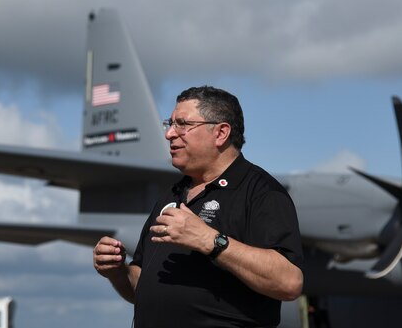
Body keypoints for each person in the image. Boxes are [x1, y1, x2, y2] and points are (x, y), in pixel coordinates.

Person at [94, 86, 304, 327]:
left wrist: (211, 241)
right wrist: (118, 272)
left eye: (183, 124)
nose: (170, 134)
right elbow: (142, 287)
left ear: (221, 133)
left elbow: (289, 283)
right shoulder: (172, 195)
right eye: (170, 123)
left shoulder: (261, 192)